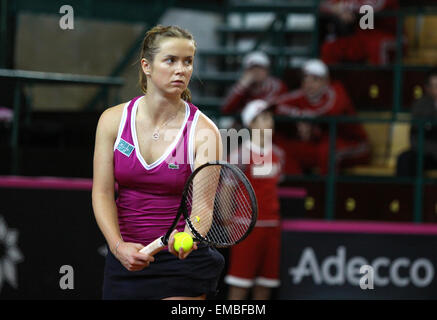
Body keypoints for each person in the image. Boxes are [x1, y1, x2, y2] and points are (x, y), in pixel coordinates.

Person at [92, 25, 225, 300]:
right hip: (125, 259)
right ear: (147, 66)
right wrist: (118, 247)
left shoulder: (205, 132)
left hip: (182, 263)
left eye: (188, 61)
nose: (182, 69)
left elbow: (202, 207)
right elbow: (102, 192)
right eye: (171, 60)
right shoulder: (112, 121)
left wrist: (189, 234)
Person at [225, 99, 284, 300]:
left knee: (265, 286)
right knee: (239, 284)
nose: (270, 121)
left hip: (271, 227)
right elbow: (227, 189)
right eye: (263, 117)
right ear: (251, 124)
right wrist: (227, 224)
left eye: (270, 117)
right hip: (246, 228)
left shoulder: (278, 154)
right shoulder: (240, 154)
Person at [274, 59, 370, 175]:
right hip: (320, 143)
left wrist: (306, 120)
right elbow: (275, 105)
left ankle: (325, 192)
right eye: (305, 78)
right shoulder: (301, 95)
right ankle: (296, 187)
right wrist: (300, 118)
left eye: (315, 79)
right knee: (283, 147)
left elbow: (331, 111)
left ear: (326, 81)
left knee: (327, 152)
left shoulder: (336, 92)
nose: (308, 84)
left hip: (354, 144)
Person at [319, 0, 400, 65]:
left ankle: (382, 84)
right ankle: (331, 84)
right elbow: (323, 4)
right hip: (361, 37)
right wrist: (337, 9)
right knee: (330, 49)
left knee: (376, 47)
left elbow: (375, 5)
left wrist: (343, 7)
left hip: (389, 35)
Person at [396, 68, 437, 176]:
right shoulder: (420, 106)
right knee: (405, 159)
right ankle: (405, 192)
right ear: (428, 88)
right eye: (435, 86)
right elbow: (414, 138)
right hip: (428, 153)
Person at [221, 51, 288, 115]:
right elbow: (226, 109)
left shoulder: (277, 86)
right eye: (252, 69)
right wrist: (242, 86)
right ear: (246, 72)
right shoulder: (241, 88)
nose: (257, 72)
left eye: (260, 68)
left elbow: (278, 109)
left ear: (267, 70)